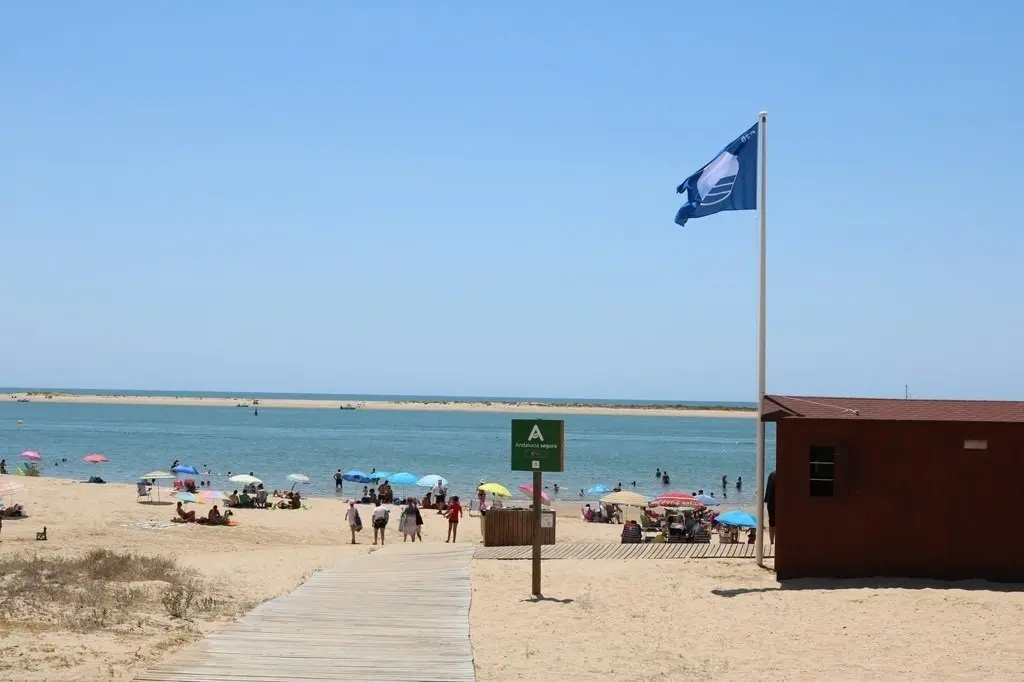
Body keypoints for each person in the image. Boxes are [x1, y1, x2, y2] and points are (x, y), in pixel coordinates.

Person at [765, 470, 776, 544]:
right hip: (776, 503)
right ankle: (773, 541)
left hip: (771, 503)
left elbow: (768, 489)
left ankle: (771, 541)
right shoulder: (784, 475)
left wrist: (766, 499)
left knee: (772, 523)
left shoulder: (771, 474)